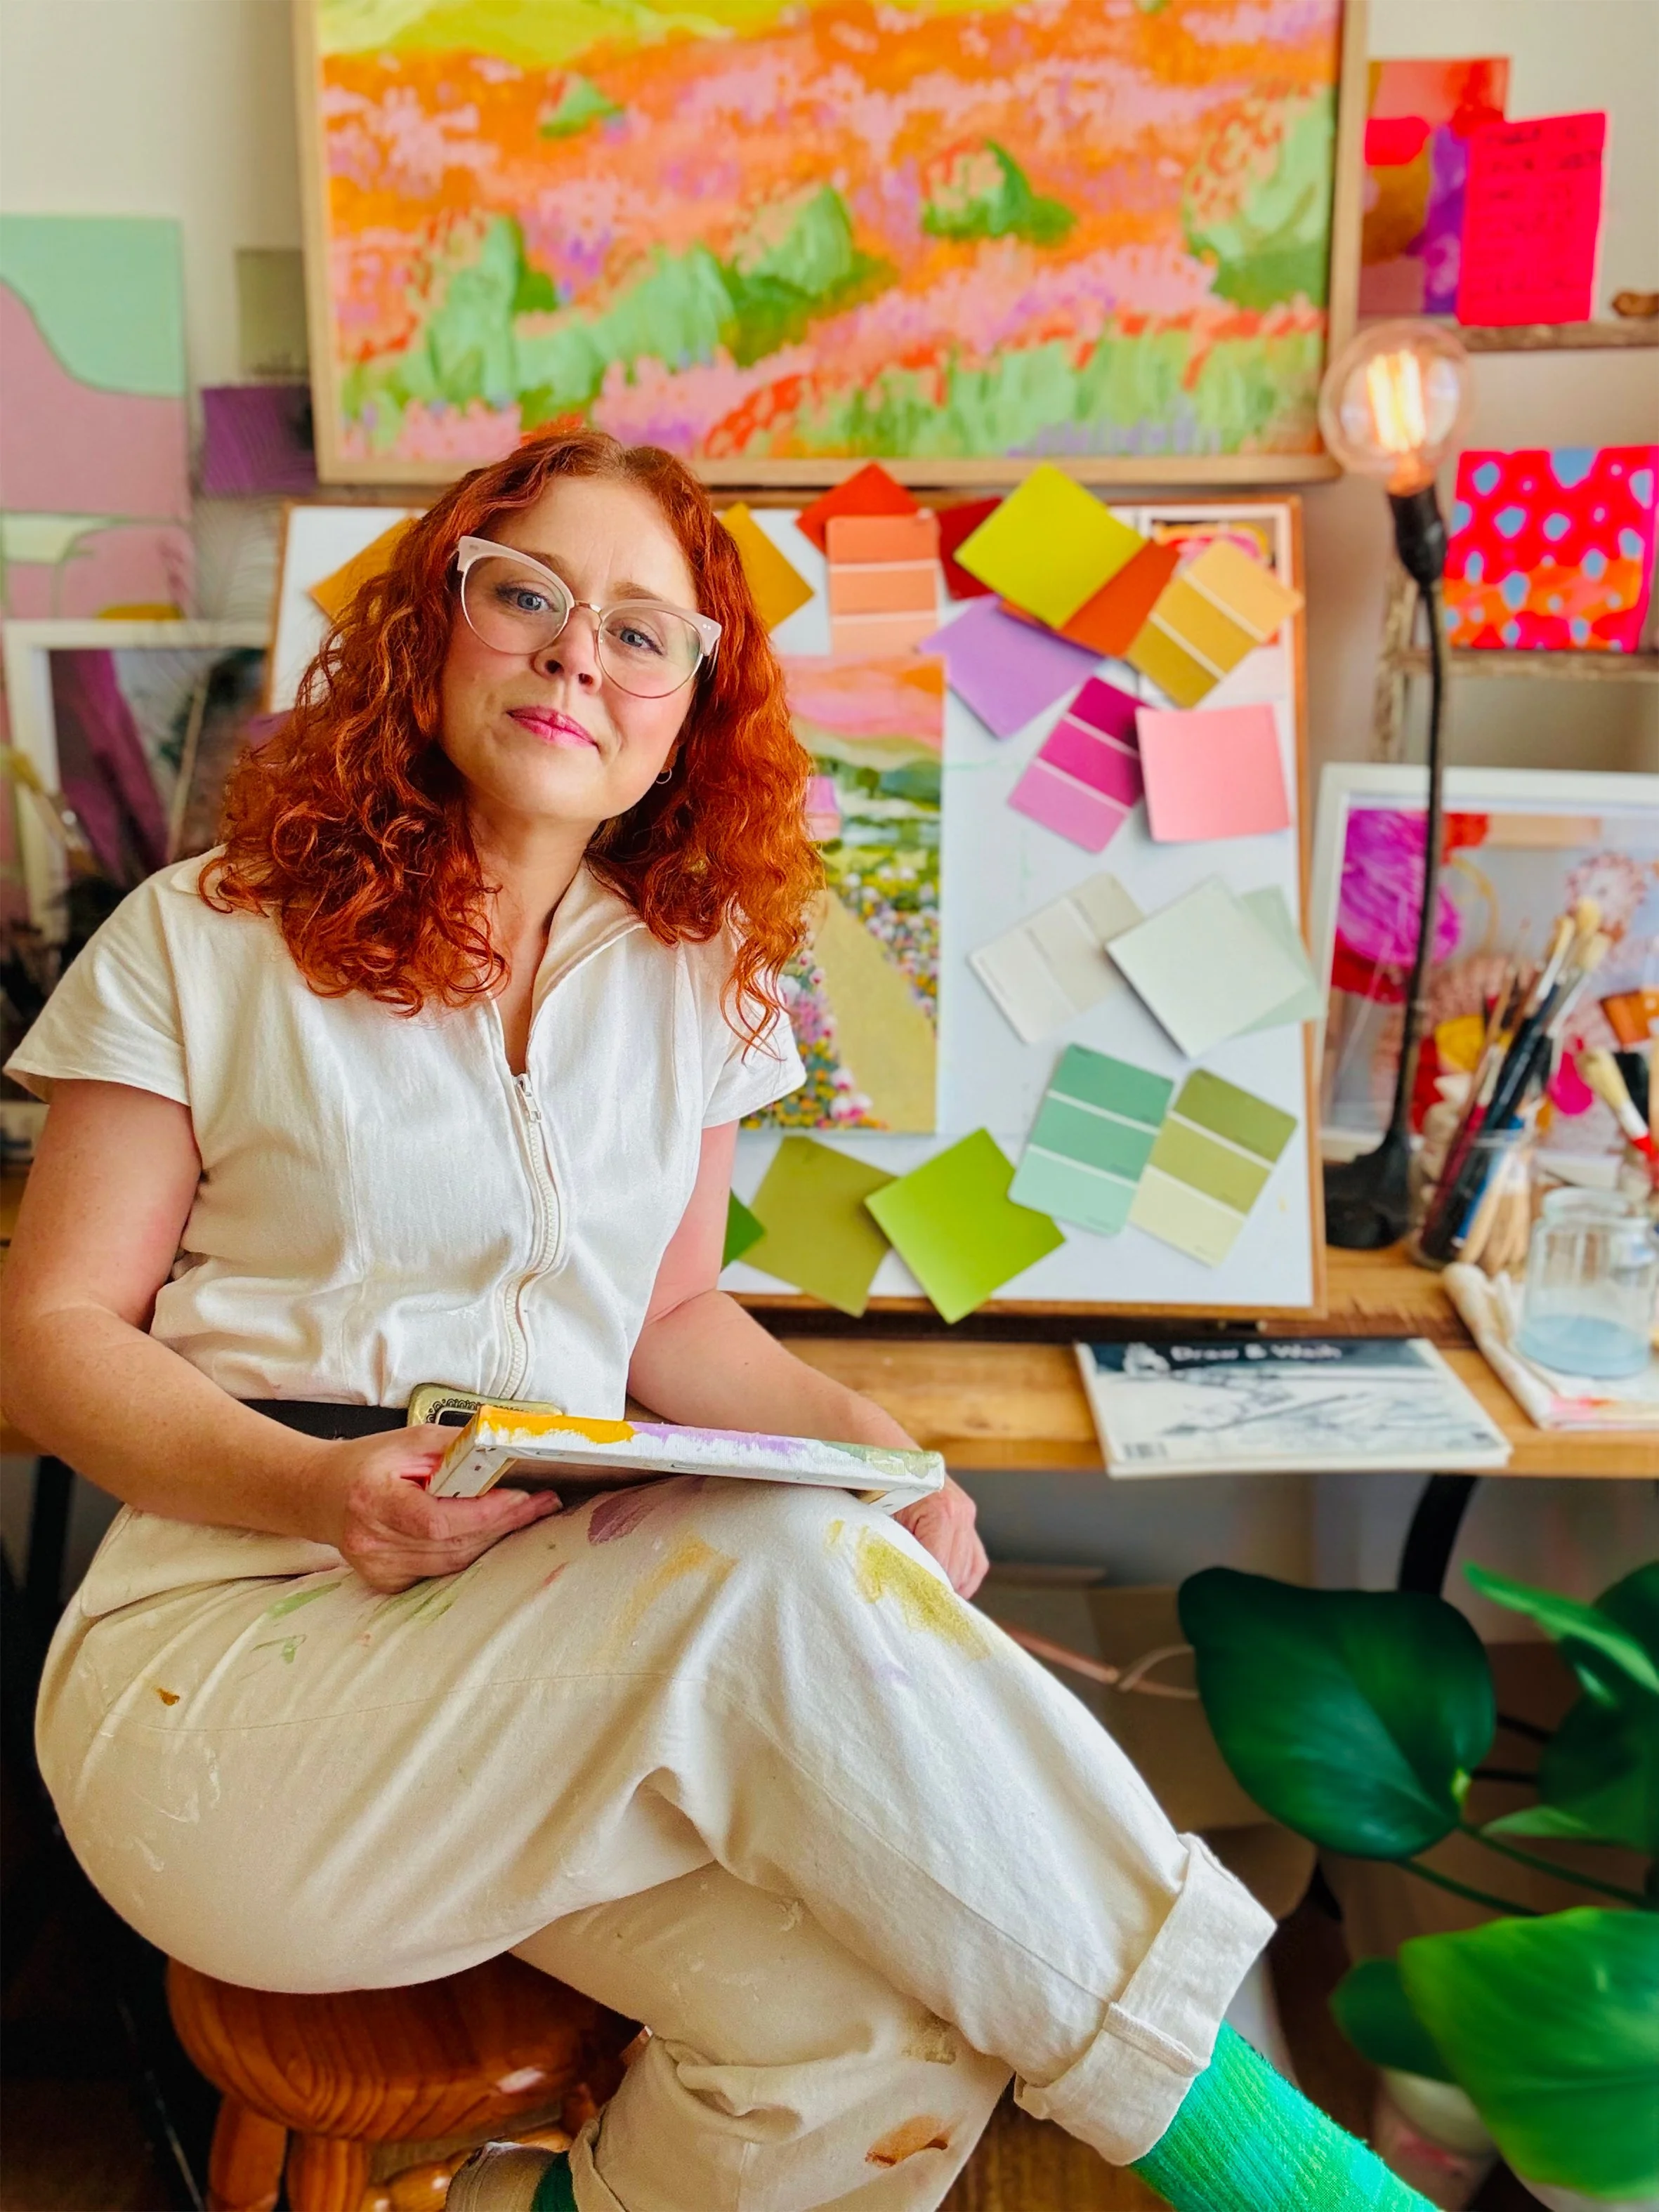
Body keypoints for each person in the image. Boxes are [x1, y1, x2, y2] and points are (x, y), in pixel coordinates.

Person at [3, 429, 1424, 2212]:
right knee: (766, 1577)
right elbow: (48, 1338)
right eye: (524, 594)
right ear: (433, 625)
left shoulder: (694, 981)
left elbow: (674, 1319)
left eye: (637, 632)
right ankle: (1264, 2159)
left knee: (890, 2032)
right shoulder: (199, 943)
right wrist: (322, 1494)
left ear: (689, 708)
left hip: (555, 1664)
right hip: (231, 1683)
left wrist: (884, 1464)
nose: (572, 655)